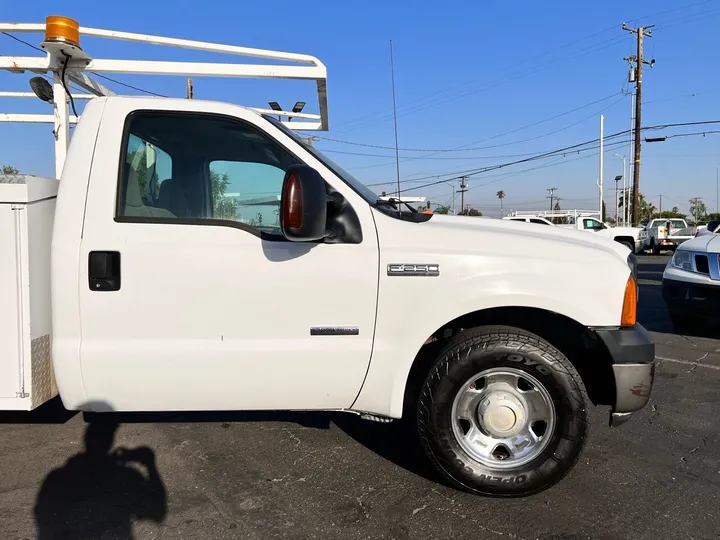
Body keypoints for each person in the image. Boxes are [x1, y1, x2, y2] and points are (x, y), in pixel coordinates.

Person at [34, 418, 167, 540]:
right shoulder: (125, 475)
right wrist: (150, 464)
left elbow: (44, 519)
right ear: (110, 442)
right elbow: (157, 512)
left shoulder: (57, 477)